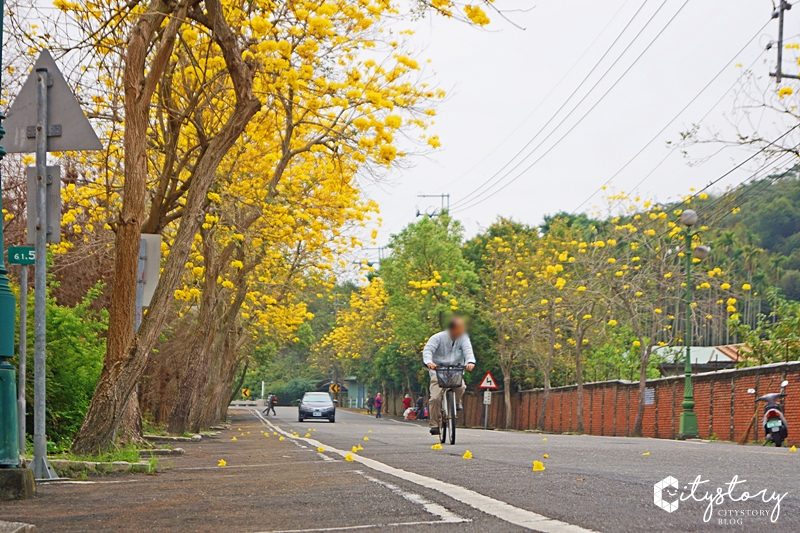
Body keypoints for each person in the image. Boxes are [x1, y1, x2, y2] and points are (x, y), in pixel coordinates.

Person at [423, 316, 475, 435]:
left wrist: (470, 362)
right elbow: (428, 351)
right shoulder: (437, 338)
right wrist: (429, 362)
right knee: (435, 398)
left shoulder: (463, 338)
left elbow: (468, 351)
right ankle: (435, 424)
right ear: (453, 329)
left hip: (455, 371)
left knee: (461, 387)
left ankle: (456, 402)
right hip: (438, 371)